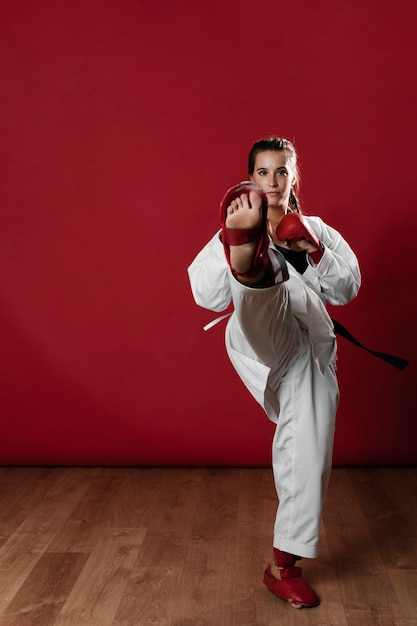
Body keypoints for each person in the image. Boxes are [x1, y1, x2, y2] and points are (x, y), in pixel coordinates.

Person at [187, 136, 361, 609]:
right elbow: (203, 294)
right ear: (250, 179)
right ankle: (249, 264)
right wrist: (231, 243)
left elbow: (349, 287)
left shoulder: (318, 227)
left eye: (282, 172)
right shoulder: (232, 221)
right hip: (259, 338)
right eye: (263, 173)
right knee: (264, 293)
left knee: (309, 444)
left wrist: (312, 249)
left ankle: (283, 565)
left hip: (309, 351)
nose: (273, 181)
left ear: (294, 179)